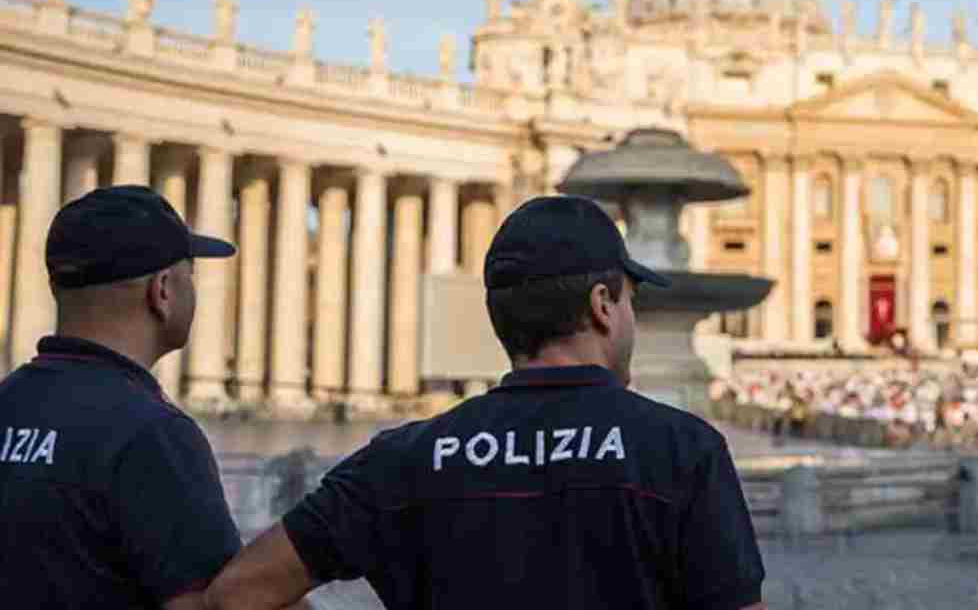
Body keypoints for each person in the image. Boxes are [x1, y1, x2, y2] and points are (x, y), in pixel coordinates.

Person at [206, 195, 767, 610]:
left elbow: (236, 594)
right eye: (631, 303)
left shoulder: (401, 459)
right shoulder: (681, 449)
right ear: (603, 305)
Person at [0, 185, 242, 608]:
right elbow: (209, 604)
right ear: (162, 290)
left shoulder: (8, 400)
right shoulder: (152, 436)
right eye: (191, 275)